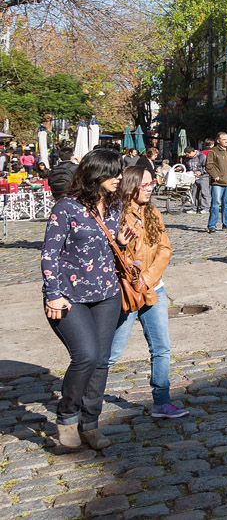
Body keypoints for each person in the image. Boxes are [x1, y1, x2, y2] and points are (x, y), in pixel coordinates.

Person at [41, 148, 131, 450]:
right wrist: (52, 294)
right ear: (95, 174)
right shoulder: (66, 207)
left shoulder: (115, 205)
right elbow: (49, 253)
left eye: (120, 171)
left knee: (102, 361)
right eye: (113, 172)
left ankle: (90, 423)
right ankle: (67, 417)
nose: (119, 177)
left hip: (107, 294)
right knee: (86, 356)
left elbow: (106, 241)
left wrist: (118, 240)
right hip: (69, 297)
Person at [107, 167, 189, 419]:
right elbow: (109, 253)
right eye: (144, 183)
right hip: (127, 292)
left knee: (161, 347)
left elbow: (165, 249)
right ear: (130, 185)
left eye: (151, 182)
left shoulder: (152, 211)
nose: (150, 186)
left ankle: (161, 402)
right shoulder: (115, 214)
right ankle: (80, 398)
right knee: (110, 353)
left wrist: (148, 278)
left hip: (154, 289)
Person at [205, 132, 227, 233]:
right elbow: (209, 166)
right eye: (224, 139)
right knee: (215, 204)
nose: (226, 141)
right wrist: (216, 177)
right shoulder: (213, 152)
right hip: (217, 183)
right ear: (218, 141)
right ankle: (212, 225)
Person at [183, 146, 209, 215]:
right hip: (193, 177)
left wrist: (201, 172)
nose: (187, 156)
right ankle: (194, 208)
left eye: (188, 154)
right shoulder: (187, 159)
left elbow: (207, 166)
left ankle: (205, 208)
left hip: (203, 177)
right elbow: (185, 166)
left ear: (192, 152)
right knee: (194, 193)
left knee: (204, 193)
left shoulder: (202, 157)